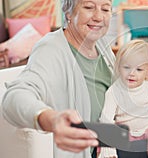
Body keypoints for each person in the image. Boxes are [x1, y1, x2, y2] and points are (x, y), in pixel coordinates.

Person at [1, 0, 115, 158]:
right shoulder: (51, 49)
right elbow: (14, 97)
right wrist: (52, 119)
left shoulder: (101, 44)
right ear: (68, 12)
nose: (98, 17)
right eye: (89, 7)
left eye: (105, 9)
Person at [98, 39, 148, 157]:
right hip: (126, 133)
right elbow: (106, 119)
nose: (131, 73)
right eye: (127, 67)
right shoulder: (114, 92)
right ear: (118, 67)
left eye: (139, 69)